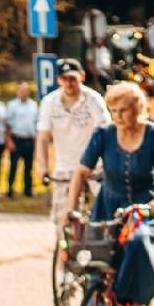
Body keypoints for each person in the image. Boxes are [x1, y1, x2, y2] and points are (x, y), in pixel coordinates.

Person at [67, 81, 154, 306]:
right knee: (95, 261)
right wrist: (71, 211)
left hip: (144, 207)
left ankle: (136, 301)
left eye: (123, 110)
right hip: (108, 206)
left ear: (137, 108)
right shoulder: (103, 134)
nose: (117, 116)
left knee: (137, 242)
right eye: (113, 110)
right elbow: (81, 172)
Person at [36, 59, 109, 227]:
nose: (69, 83)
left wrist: (106, 163)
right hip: (65, 167)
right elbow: (43, 137)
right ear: (58, 80)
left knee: (103, 216)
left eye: (72, 79)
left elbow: (105, 132)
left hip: (92, 167)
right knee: (63, 220)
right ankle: (64, 250)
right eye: (64, 79)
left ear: (81, 77)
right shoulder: (50, 102)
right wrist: (42, 166)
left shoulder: (93, 99)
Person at [5, 81, 40, 198]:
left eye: (26, 91)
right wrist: (9, 140)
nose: (24, 93)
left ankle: (28, 189)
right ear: (18, 92)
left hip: (29, 139)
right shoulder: (12, 105)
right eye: (21, 91)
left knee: (28, 167)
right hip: (16, 139)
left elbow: (37, 124)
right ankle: (10, 189)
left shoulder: (34, 105)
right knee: (14, 166)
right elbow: (7, 125)